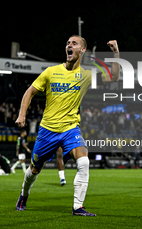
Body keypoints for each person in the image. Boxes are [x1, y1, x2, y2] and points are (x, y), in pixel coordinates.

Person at [15, 35, 120, 216]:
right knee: (34, 169)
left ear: (82, 50)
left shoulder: (86, 75)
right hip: (47, 130)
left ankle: (77, 207)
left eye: (74, 43)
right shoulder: (50, 72)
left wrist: (116, 53)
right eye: (67, 43)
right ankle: (24, 194)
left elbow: (114, 76)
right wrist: (21, 114)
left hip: (70, 128)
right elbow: (30, 92)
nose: (69, 46)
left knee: (84, 161)